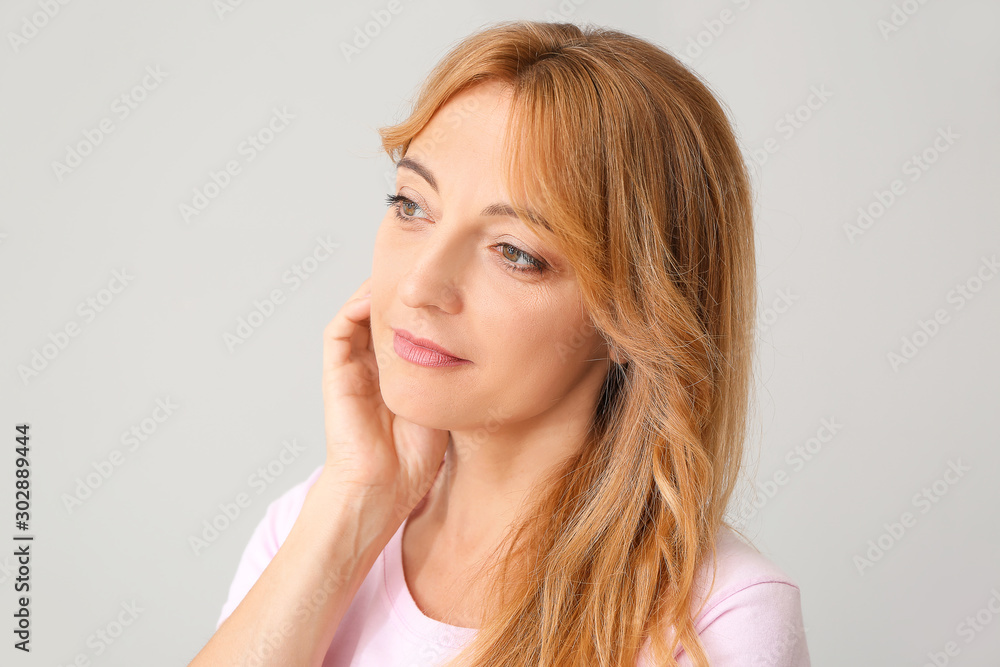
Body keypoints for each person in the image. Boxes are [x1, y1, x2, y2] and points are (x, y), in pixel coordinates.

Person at [189, 20, 811, 667]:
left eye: (513, 251)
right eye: (411, 205)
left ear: (637, 315)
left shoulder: (718, 614)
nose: (420, 285)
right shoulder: (313, 521)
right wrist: (354, 500)